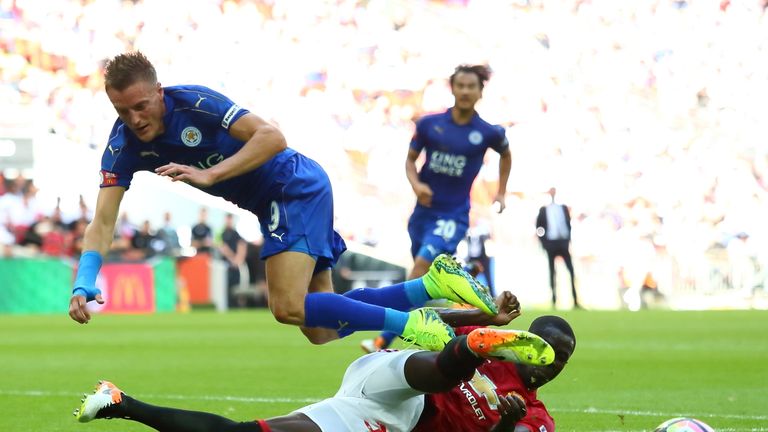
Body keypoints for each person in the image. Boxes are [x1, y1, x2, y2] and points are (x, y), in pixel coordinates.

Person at [67, 51, 497, 350]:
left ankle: (412, 326)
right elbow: (103, 222)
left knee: (287, 307)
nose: (134, 119)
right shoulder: (123, 145)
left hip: (291, 186)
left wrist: (211, 174)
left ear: (159, 92)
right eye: (122, 111)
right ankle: (430, 287)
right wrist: (85, 279)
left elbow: (272, 136)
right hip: (278, 199)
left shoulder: (194, 103)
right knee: (321, 331)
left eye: (141, 106)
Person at [75, 301, 575, 431]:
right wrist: (476, 322)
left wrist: (507, 423)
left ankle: (121, 401)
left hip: (382, 420)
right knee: (446, 364)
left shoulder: (534, 417)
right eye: (546, 351)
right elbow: (424, 324)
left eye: (561, 361)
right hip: (399, 379)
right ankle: (465, 353)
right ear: (530, 345)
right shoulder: (498, 360)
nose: (549, 365)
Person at [363, 64, 512, 352]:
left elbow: (506, 155)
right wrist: (416, 184)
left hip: (453, 215)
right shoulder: (429, 125)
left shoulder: (488, 132)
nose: (466, 91)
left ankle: (384, 338)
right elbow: (409, 161)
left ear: (481, 91)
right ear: (452, 89)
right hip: (422, 214)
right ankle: (464, 277)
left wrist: (502, 193)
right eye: (461, 86)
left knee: (418, 270)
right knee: (424, 278)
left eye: (472, 86)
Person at [536, 187, 580, 309]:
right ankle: (554, 301)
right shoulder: (544, 209)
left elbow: (568, 224)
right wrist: (544, 243)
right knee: (552, 272)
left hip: (563, 242)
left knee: (571, 271)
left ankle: (575, 300)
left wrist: (568, 240)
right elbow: (539, 227)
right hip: (551, 243)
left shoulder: (563, 208)